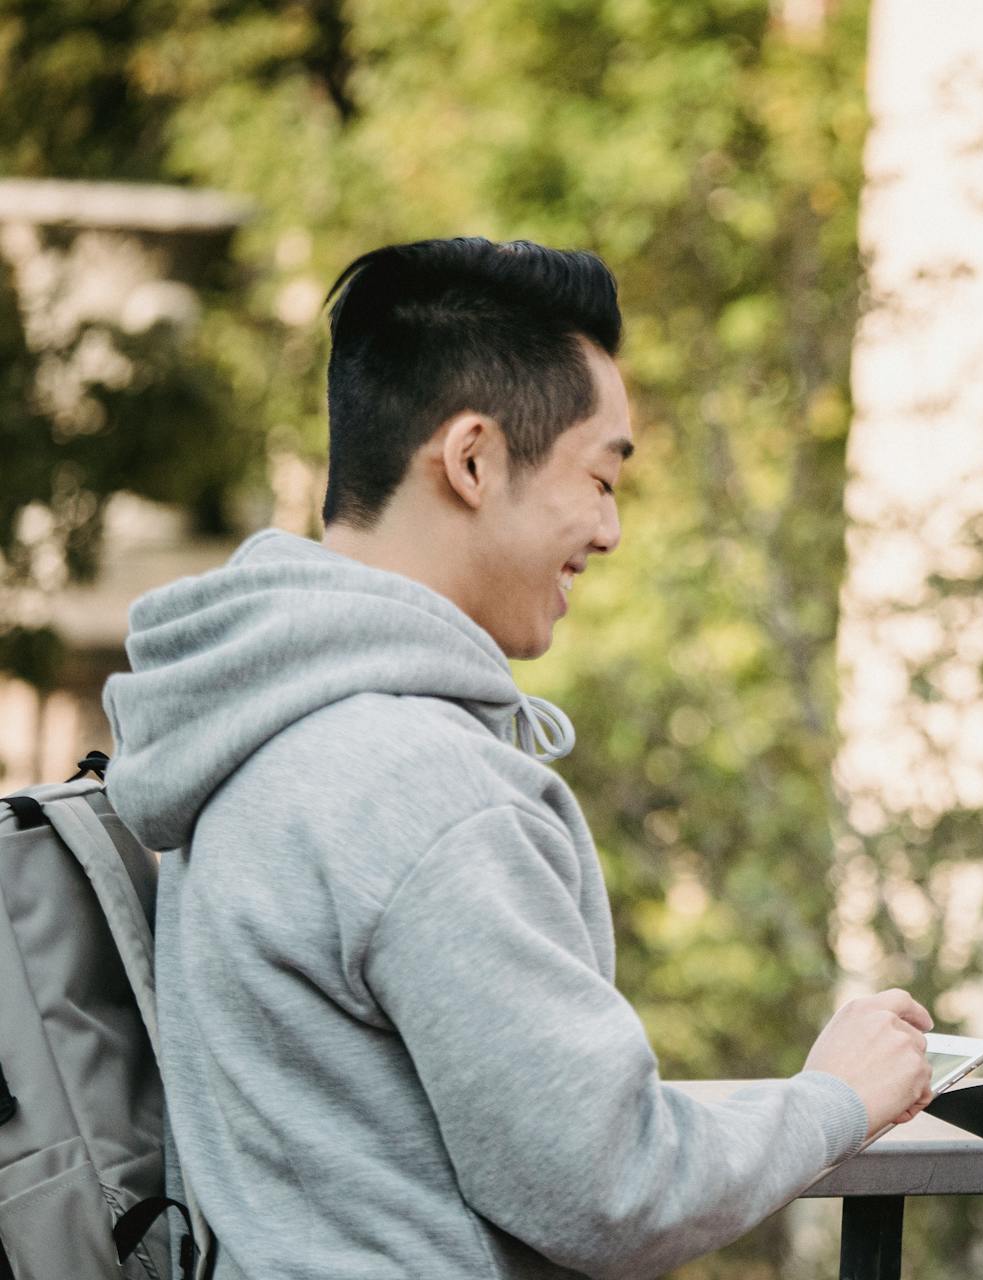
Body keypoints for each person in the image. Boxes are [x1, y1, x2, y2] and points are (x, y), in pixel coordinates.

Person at [103, 237, 934, 1279]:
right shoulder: (419, 781)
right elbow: (612, 1184)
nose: (611, 529)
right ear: (473, 460)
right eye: (600, 477)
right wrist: (836, 1098)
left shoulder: (256, 725)